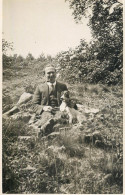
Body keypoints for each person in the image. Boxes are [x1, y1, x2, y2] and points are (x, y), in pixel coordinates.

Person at [31, 65, 68, 136]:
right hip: (46, 112)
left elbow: (67, 100)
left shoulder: (63, 86)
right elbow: (34, 105)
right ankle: (44, 133)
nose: (51, 75)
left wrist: (64, 104)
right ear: (44, 74)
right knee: (47, 118)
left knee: (61, 117)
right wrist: (44, 108)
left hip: (59, 110)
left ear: (56, 73)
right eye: (48, 73)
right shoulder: (39, 87)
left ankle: (53, 131)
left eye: (53, 72)